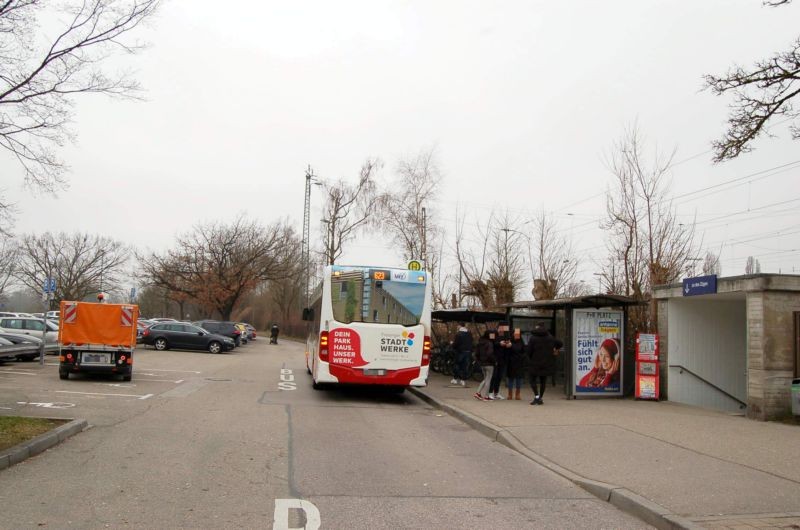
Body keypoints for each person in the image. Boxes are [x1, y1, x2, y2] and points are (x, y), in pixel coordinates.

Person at [526, 322, 563, 405]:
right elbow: (560, 343)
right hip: (547, 362)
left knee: (532, 379)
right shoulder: (550, 337)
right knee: (543, 381)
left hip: (535, 363)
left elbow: (528, 351)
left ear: (537, 327)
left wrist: (530, 358)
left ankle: (536, 396)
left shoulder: (533, 338)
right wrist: (555, 349)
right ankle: (541, 398)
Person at [488, 323, 512, 400]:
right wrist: (499, 343)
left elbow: (510, 342)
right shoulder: (492, 334)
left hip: (503, 359)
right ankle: (490, 392)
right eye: (502, 329)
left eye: (504, 329)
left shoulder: (506, 335)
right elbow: (490, 343)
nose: (503, 331)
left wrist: (509, 344)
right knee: (494, 376)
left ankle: (496, 393)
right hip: (494, 358)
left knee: (499, 376)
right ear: (498, 328)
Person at [474, 330, 496, 401]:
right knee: (488, 380)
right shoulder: (489, 343)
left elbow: (476, 354)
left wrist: (480, 361)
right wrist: (494, 361)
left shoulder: (480, 343)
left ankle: (478, 393)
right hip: (489, 364)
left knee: (485, 379)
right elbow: (490, 354)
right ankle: (486, 396)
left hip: (482, 364)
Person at [450, 322, 473, 387]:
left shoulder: (459, 334)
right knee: (465, 366)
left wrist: (452, 344)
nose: (457, 327)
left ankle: (455, 379)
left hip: (460, 352)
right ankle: (463, 380)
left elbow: (456, 344)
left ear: (460, 326)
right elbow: (471, 342)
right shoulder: (469, 334)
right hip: (468, 352)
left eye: (458, 326)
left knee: (457, 365)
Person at [506, 328, 526, 400]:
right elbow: (507, 352)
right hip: (511, 363)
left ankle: (518, 394)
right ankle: (510, 394)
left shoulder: (521, 342)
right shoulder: (510, 341)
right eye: (515, 334)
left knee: (519, 379)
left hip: (519, 363)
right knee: (511, 378)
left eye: (518, 334)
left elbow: (523, 352)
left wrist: (521, 357)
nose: (516, 335)